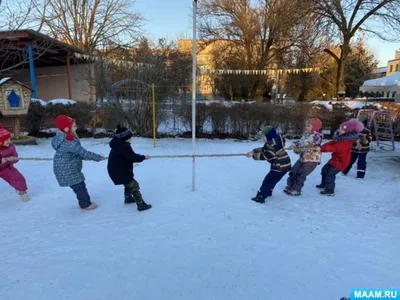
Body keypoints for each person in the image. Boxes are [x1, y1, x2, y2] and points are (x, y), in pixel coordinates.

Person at [52, 115, 105, 211]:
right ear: (67, 128)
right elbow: (83, 153)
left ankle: (84, 203)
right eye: (74, 126)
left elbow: (78, 154)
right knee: (80, 187)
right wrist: (98, 157)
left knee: (79, 186)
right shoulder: (69, 142)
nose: (76, 127)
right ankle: (85, 205)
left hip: (66, 167)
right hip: (68, 170)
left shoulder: (63, 138)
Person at [107, 125, 152, 211]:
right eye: (130, 137)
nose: (131, 138)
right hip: (121, 171)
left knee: (127, 183)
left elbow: (128, 156)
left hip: (117, 170)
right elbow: (132, 157)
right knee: (134, 185)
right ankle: (141, 204)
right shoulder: (124, 146)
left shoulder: (117, 144)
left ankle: (128, 198)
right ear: (124, 138)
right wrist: (143, 157)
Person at [317, 119, 364, 196]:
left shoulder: (347, 142)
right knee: (324, 170)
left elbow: (335, 148)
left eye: (342, 129)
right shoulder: (340, 137)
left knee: (330, 174)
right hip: (335, 160)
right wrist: (322, 147)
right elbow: (332, 143)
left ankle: (330, 190)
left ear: (348, 131)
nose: (340, 130)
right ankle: (324, 184)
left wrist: (322, 149)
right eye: (340, 128)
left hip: (341, 161)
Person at [247, 125, 291, 203]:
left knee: (268, 181)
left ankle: (261, 196)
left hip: (279, 167)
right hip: (285, 165)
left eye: (264, 136)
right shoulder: (277, 140)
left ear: (269, 136)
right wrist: (255, 150)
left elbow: (264, 156)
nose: (262, 138)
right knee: (273, 180)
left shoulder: (271, 146)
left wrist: (253, 156)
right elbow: (264, 149)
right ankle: (269, 191)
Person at [284, 118, 323, 196]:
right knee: (294, 170)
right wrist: (297, 147)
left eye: (309, 125)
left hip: (311, 159)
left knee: (301, 174)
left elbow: (305, 142)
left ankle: (296, 189)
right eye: (306, 125)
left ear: (315, 127)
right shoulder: (306, 134)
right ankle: (290, 186)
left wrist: (295, 145)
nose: (306, 127)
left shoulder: (316, 135)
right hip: (303, 156)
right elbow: (302, 141)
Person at [0, 125, 29, 201]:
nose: (9, 141)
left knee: (17, 178)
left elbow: (15, 157)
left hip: (5, 168)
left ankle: (22, 191)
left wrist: (13, 159)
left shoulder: (11, 147)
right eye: (5, 140)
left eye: (9, 139)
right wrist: (1, 160)